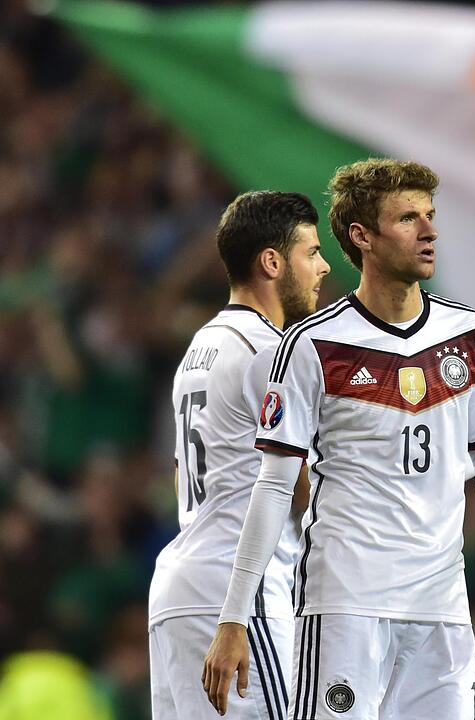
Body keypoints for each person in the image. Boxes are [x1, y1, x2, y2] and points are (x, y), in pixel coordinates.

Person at [203, 158, 475, 719]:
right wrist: (235, 615)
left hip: (442, 607)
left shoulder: (470, 334)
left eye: (430, 216)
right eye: (408, 218)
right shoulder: (312, 345)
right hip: (346, 605)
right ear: (362, 237)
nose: (429, 231)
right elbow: (274, 486)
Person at [149, 191, 331, 720]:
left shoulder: (199, 348)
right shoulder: (273, 352)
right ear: (272, 262)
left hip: (179, 591)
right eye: (312, 252)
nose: (322, 267)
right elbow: (302, 486)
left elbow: (183, 477)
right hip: (239, 594)